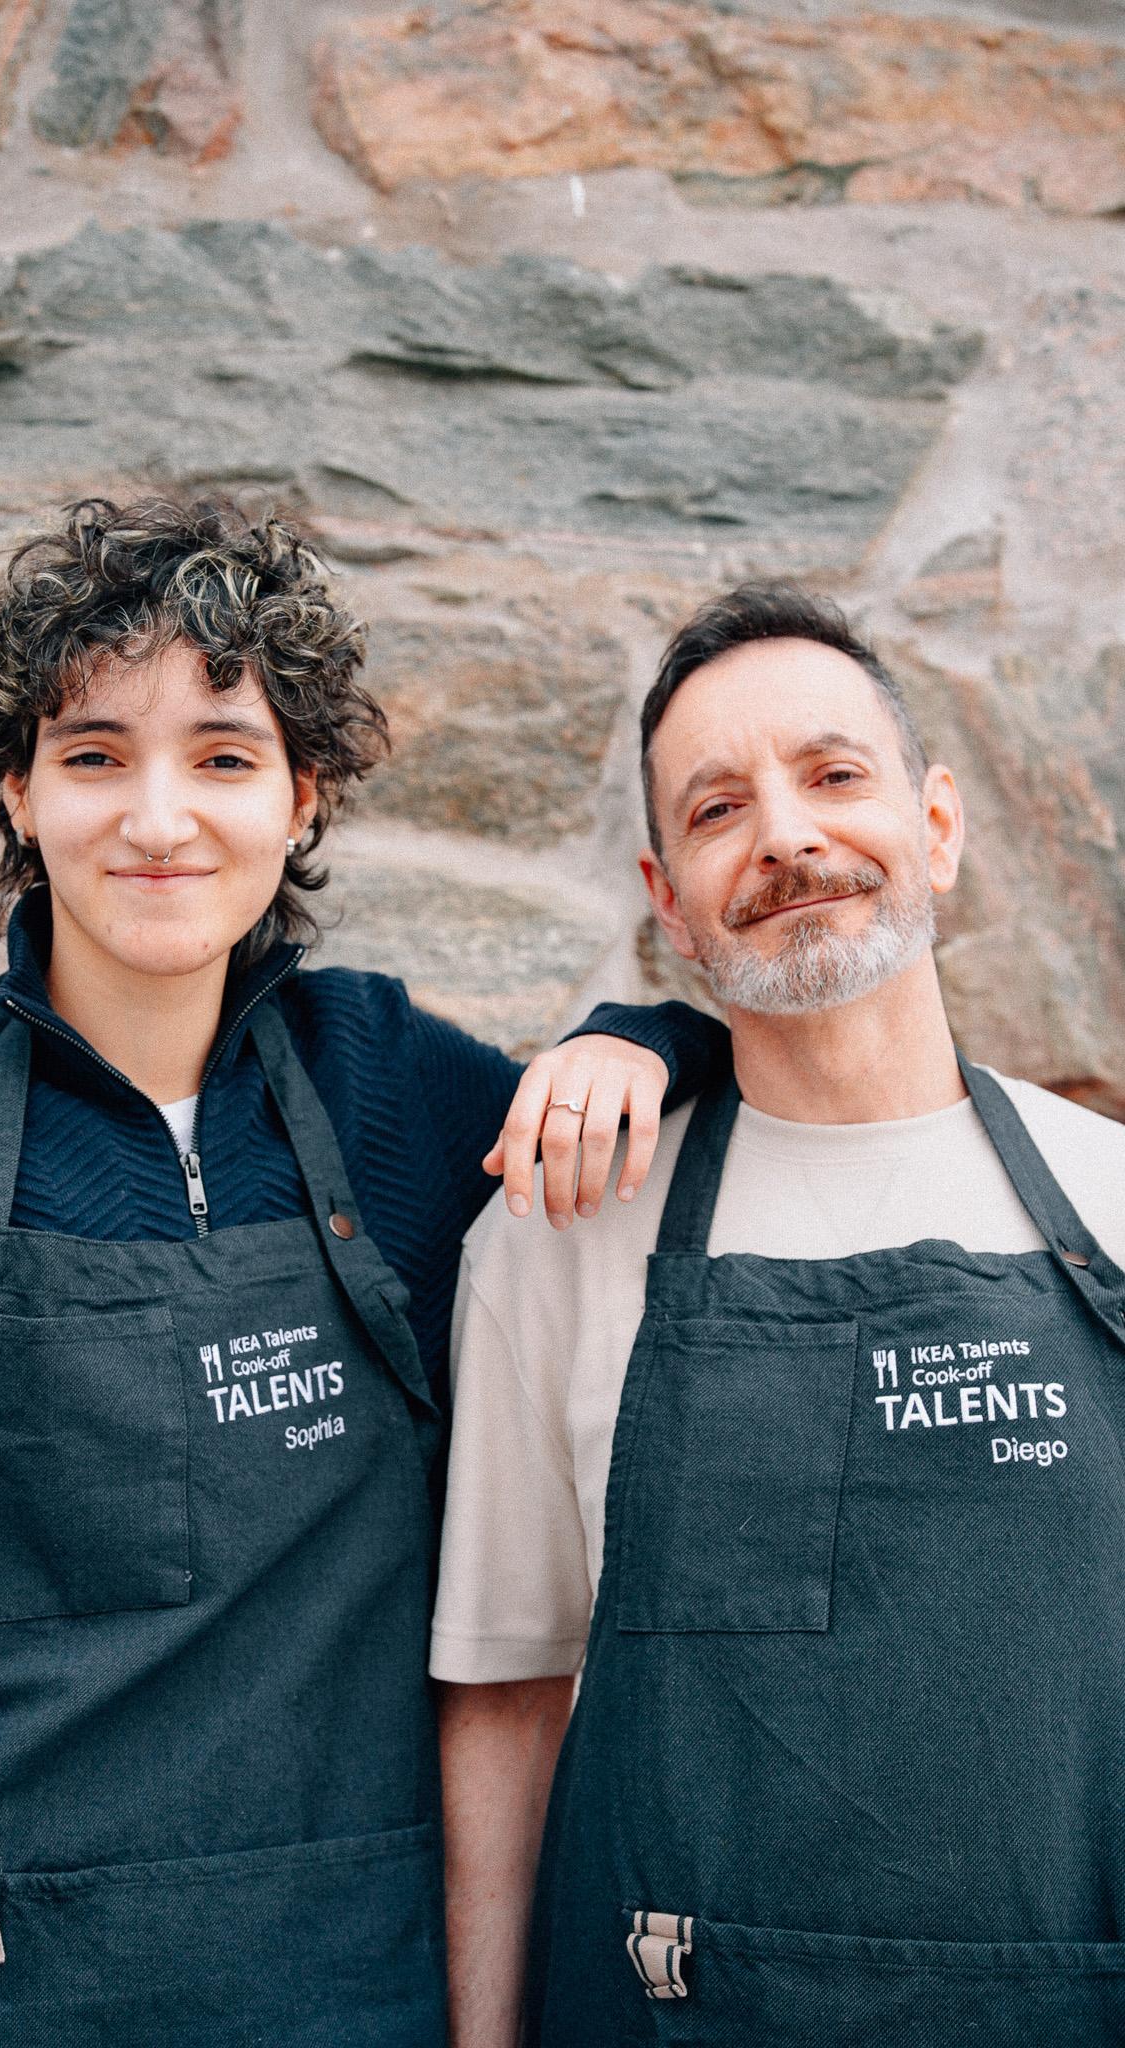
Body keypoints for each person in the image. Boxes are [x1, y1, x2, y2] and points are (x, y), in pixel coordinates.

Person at [0, 496, 726, 2047]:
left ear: (302, 797)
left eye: (222, 757)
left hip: (342, 1993)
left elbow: (707, 1092)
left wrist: (636, 1039)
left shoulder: (391, 1086)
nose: (160, 820)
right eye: (93, 757)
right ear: (17, 794)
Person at [434, 582, 1125, 2047]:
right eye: (719, 809)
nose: (787, 838)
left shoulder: (1112, 1198)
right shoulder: (560, 1240)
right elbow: (506, 1700)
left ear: (938, 824)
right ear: (668, 901)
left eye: (834, 777)